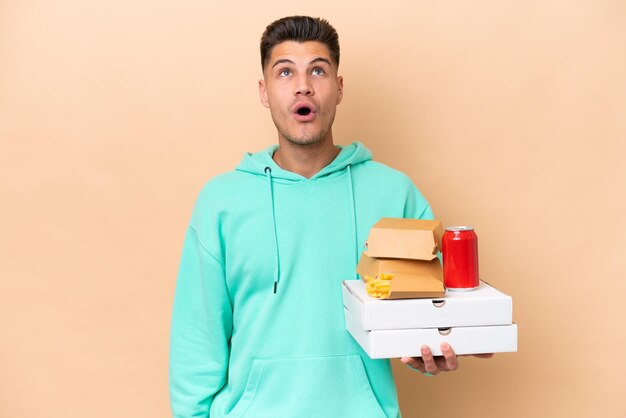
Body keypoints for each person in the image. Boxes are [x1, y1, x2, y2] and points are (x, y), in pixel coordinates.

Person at [169, 15, 491, 418]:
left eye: (317, 70)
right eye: (284, 72)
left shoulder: (394, 193)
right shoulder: (221, 202)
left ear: (338, 88)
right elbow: (196, 344)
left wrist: (435, 351)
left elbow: (431, 314)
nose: (303, 84)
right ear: (264, 91)